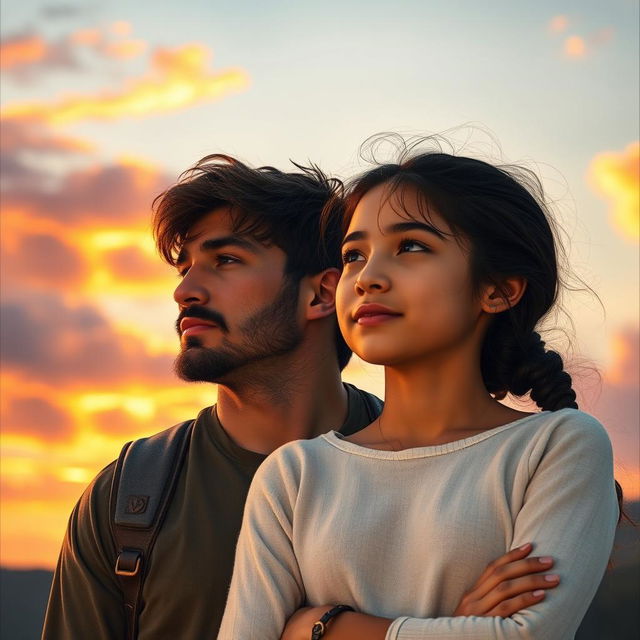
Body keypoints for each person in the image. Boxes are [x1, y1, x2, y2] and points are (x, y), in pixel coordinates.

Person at [42, 154, 561, 640]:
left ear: (321, 293)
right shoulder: (129, 497)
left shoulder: (458, 469)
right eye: (184, 268)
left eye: (224, 259)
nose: (186, 291)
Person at [218, 143, 620, 640]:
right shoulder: (295, 475)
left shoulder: (555, 447)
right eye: (353, 255)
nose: (367, 278)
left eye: (410, 246)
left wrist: (321, 628)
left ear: (498, 289)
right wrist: (456, 625)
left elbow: (524, 636)